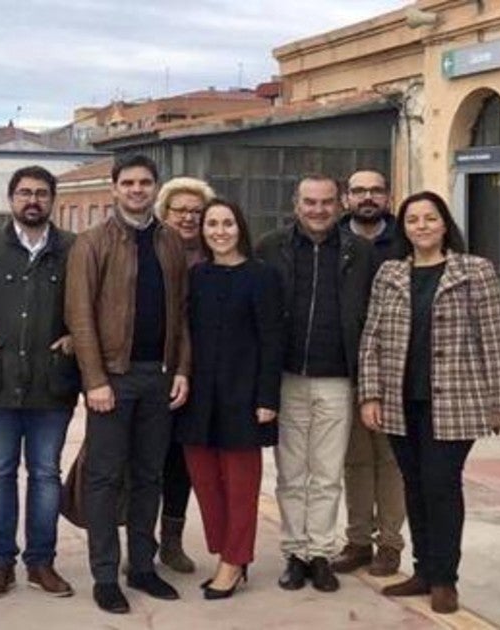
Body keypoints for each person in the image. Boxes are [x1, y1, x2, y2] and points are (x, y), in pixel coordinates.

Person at [358, 191, 500, 614]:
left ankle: (445, 579)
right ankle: (423, 570)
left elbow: (495, 337)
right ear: (403, 228)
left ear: (445, 224)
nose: (422, 226)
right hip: (399, 400)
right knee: (415, 486)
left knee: (442, 485)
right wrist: (370, 394)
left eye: (430, 218)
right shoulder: (390, 273)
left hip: (456, 400)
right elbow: (370, 338)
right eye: (413, 220)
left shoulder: (473, 271)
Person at [65, 153, 191, 614]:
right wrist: (94, 379)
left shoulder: (171, 241)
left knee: (149, 475)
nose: (137, 189)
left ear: (156, 188)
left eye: (145, 182)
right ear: (115, 188)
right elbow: (80, 315)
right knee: (102, 477)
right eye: (129, 183)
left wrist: (181, 369)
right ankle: (104, 574)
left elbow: (182, 312)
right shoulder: (93, 242)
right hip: (113, 380)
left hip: (158, 378)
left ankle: (142, 566)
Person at [0, 167, 78, 600]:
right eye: (24, 193)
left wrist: (76, 336)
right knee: (0, 471)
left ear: (53, 200)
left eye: (41, 194)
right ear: (10, 199)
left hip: (53, 383)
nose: (33, 200)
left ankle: (41, 563)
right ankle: (0, 562)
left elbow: (90, 303)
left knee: (46, 474)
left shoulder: (74, 249)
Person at [254, 174, 376, 593]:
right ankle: (294, 552)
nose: (318, 209)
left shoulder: (360, 252)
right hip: (286, 377)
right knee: (291, 473)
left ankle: (320, 553)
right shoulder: (271, 247)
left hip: (338, 380)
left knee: (326, 473)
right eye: (310, 201)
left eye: (326, 202)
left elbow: (371, 317)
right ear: (296, 204)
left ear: (340, 204)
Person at [179, 199, 282, 600]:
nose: (220, 231)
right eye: (211, 224)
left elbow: (273, 340)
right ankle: (226, 552)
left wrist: (267, 397)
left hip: (244, 395)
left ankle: (235, 560)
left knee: (240, 486)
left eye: (227, 223)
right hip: (198, 398)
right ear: (202, 231)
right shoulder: (197, 276)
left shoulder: (263, 277)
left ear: (240, 228)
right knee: (205, 485)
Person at [332, 168, 406, 576]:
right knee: (355, 460)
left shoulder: (406, 241)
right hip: (345, 368)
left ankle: (390, 544)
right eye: (358, 190)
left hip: (396, 369)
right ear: (347, 198)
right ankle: (358, 539)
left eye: (376, 191)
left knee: (391, 460)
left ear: (388, 197)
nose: (367, 198)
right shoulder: (334, 242)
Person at [151, 176, 215, 574]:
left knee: (181, 462)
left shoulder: (212, 256)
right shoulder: (151, 250)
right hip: (154, 368)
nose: (189, 218)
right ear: (165, 213)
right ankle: (140, 540)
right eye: (181, 211)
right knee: (144, 461)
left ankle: (172, 541)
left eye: (197, 212)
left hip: (202, 373)